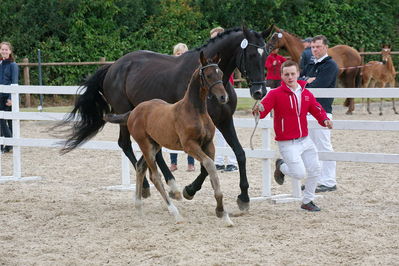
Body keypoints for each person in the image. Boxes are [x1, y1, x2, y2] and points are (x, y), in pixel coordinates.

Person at [252, 60, 333, 211]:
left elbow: (316, 108)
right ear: (282, 76)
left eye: (292, 74)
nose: (290, 77)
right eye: (286, 74)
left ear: (298, 74)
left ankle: (307, 201)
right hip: (287, 142)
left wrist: (324, 119)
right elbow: (263, 111)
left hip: (305, 140)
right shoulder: (275, 94)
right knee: (298, 173)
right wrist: (258, 110)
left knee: (315, 169)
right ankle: (281, 166)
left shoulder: (306, 93)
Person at [300, 35, 339, 193]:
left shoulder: (330, 65)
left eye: (318, 47)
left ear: (325, 47)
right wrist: (306, 81)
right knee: (310, 147)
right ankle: (315, 180)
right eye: (313, 47)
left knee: (324, 146)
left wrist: (307, 81)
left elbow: (319, 85)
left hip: (323, 110)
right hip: (308, 111)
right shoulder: (310, 63)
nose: (315, 49)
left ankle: (329, 181)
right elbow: (299, 80)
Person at [210, 27, 238, 172]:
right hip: (215, 94)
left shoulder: (225, 57)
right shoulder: (212, 58)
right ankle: (220, 160)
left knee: (227, 129)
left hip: (225, 93)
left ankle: (232, 161)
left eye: (215, 38)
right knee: (217, 130)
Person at [169, 43, 195, 172]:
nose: (181, 56)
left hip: (188, 108)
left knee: (190, 135)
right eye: (178, 53)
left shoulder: (191, 71)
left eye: (183, 53)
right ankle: (173, 163)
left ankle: (191, 163)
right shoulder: (171, 71)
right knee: (174, 134)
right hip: (175, 106)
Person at [0, 41, 18, 153]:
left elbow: (14, 81)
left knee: (11, 122)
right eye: (2, 49)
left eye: (6, 49)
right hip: (0, 96)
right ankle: (6, 144)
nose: (4, 51)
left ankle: (10, 143)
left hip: (8, 96)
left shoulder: (13, 65)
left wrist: (11, 98)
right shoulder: (0, 64)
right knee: (1, 120)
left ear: (10, 51)